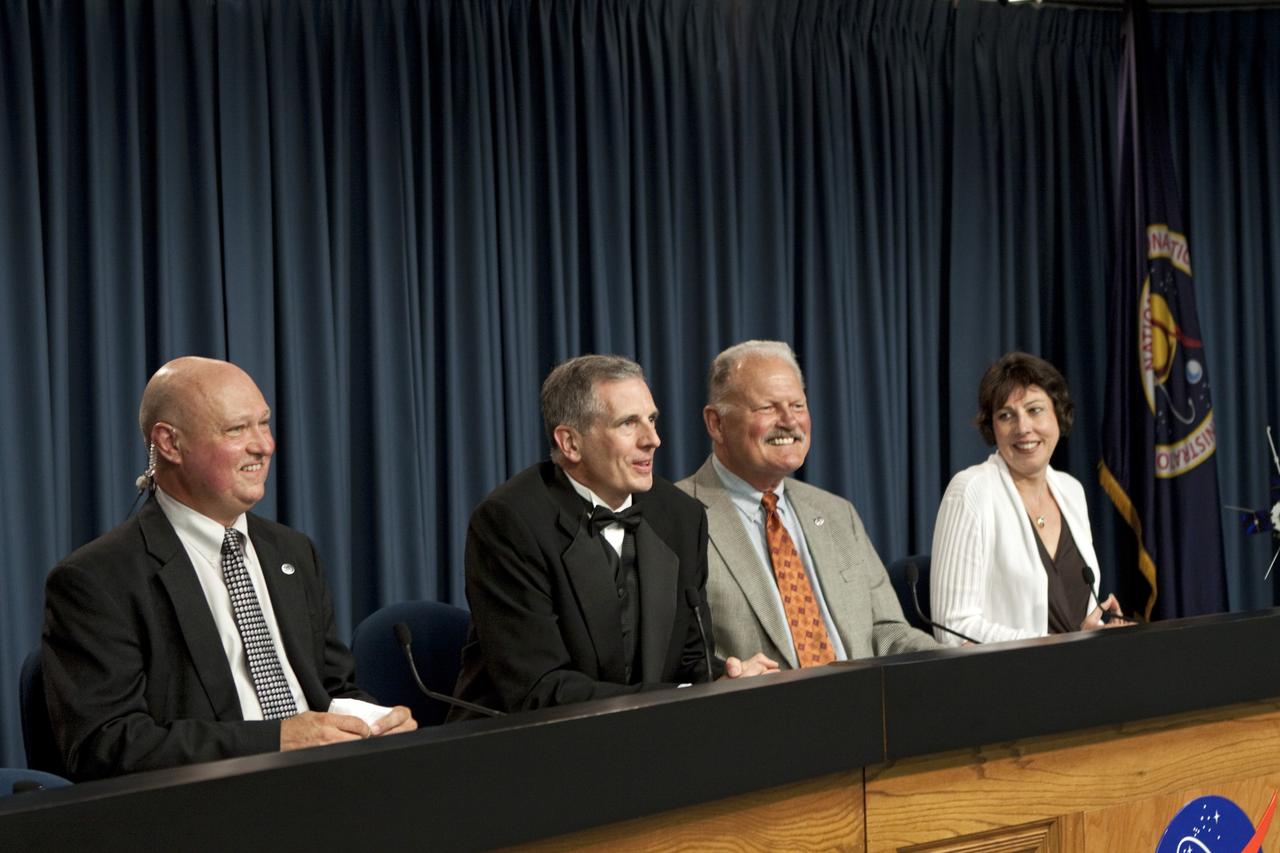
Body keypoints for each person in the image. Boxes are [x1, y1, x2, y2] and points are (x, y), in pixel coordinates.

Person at [42, 356, 416, 781]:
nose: (265, 445)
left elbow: (331, 690)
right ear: (169, 444)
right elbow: (105, 745)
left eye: (264, 423)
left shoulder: (292, 552)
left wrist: (375, 720)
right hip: (205, 808)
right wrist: (275, 740)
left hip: (324, 786)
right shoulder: (97, 580)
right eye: (236, 430)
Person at [450, 354, 777, 719]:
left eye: (652, 420)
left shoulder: (680, 517)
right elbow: (539, 690)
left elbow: (689, 659)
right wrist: (681, 696)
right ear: (570, 443)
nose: (653, 439)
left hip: (646, 736)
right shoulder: (510, 522)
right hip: (521, 747)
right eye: (628, 424)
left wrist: (731, 678)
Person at [676, 341, 938, 667]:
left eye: (798, 406)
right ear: (716, 423)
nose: (789, 421)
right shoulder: (675, 518)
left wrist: (955, 663)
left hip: (866, 708)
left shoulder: (837, 513)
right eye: (768, 408)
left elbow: (888, 633)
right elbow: (674, 660)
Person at [930, 351, 1124, 645]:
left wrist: (1098, 630)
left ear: (1058, 415)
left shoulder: (1071, 491)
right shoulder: (971, 491)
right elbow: (952, 628)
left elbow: (1072, 617)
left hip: (1079, 673)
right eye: (1006, 416)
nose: (1023, 428)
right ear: (992, 428)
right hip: (1008, 681)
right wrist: (1051, 645)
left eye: (1035, 410)